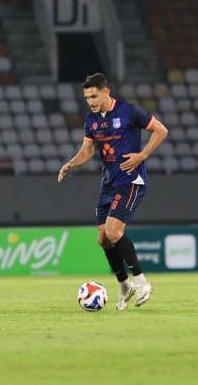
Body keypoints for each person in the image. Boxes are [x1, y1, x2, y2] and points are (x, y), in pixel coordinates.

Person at [58, 72, 168, 310]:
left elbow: (161, 130)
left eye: (94, 96)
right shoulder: (91, 120)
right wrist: (70, 164)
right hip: (108, 182)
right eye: (87, 98)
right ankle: (124, 285)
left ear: (106, 92)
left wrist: (142, 155)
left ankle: (142, 283)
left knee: (114, 231)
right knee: (103, 238)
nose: (90, 101)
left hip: (130, 180)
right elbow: (87, 151)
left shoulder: (130, 111)